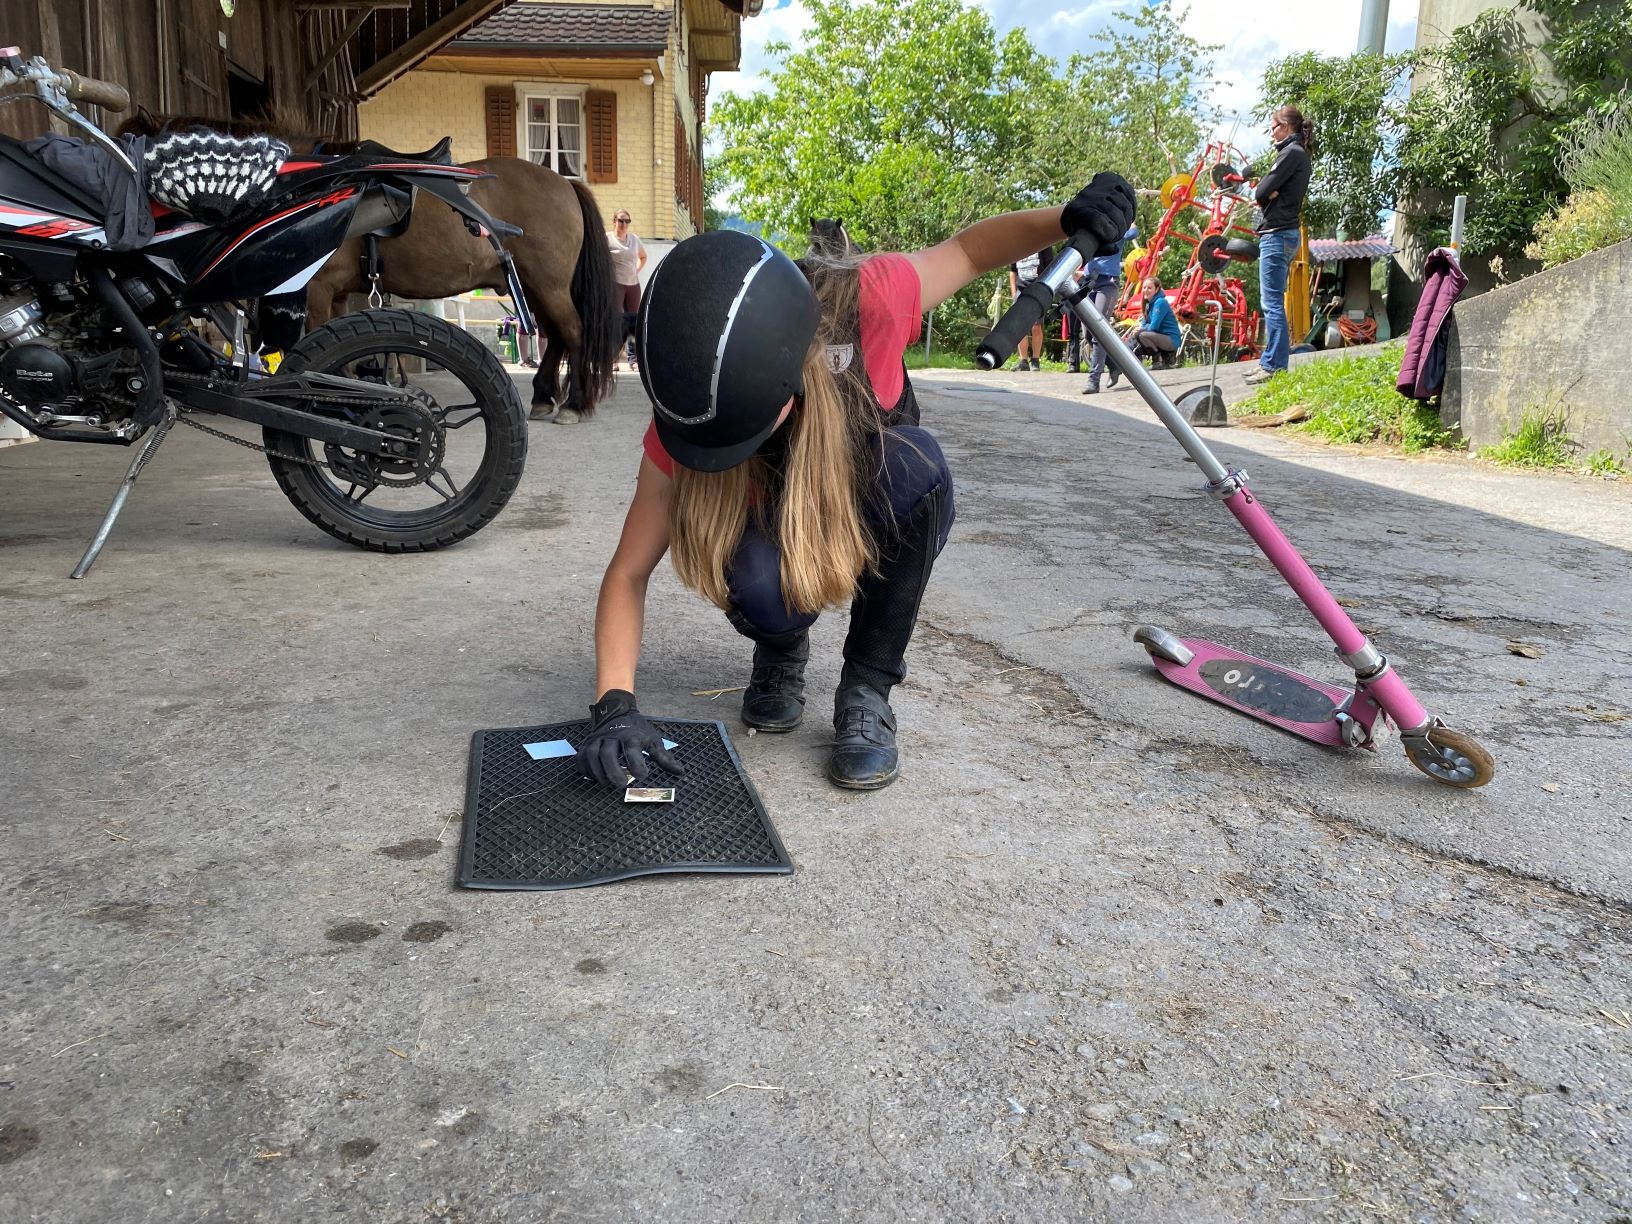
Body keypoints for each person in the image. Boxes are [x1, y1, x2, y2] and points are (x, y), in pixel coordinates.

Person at [573, 175, 1136, 793]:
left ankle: (867, 687)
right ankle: (781, 646)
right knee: (753, 579)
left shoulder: (870, 302)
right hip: (772, 533)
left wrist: (1065, 217)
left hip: (869, 495)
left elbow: (970, 251)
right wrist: (614, 705)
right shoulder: (690, 398)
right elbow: (628, 572)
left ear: (791, 383)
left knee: (918, 464)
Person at [1246, 105, 1312, 385]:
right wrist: (1267, 192)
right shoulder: (1297, 154)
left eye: (1273, 127)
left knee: (1271, 302)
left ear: (1284, 127)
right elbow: (1265, 192)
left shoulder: (1290, 153)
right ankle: (1270, 360)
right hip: (1284, 232)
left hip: (1277, 234)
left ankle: (1274, 366)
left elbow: (1261, 191)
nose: (1271, 133)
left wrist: (1267, 193)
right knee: (1272, 300)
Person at [1080, 223, 1137, 394]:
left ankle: (1094, 380)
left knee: (1099, 330)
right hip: (1088, 281)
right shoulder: (1092, 229)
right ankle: (1113, 365)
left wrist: (1130, 221)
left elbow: (1133, 233)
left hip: (1108, 281)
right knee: (1087, 333)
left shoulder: (1117, 229)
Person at [607, 208, 647, 368]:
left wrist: (636, 270)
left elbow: (643, 257)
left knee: (635, 324)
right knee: (617, 324)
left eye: (627, 221)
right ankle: (612, 360)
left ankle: (633, 360)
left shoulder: (635, 239)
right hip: (616, 284)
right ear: (614, 221)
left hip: (633, 286)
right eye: (621, 220)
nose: (624, 224)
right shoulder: (607, 238)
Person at [1008, 244, 1054, 370]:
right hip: (1020, 290)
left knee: (1036, 326)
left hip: (1037, 289)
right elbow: (1012, 271)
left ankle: (1035, 359)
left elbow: (1050, 268)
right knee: (1019, 326)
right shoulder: (1016, 246)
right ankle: (1023, 360)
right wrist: (1014, 293)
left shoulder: (1044, 244)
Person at [1129, 276, 1182, 367]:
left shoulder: (1160, 302)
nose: (1146, 290)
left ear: (1156, 289)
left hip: (1171, 340)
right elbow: (1145, 323)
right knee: (1137, 338)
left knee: (1141, 335)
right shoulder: (1148, 304)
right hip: (1158, 337)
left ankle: (1159, 360)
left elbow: (1154, 327)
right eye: (1144, 287)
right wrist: (1140, 328)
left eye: (1149, 288)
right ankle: (1163, 358)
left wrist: (1141, 329)